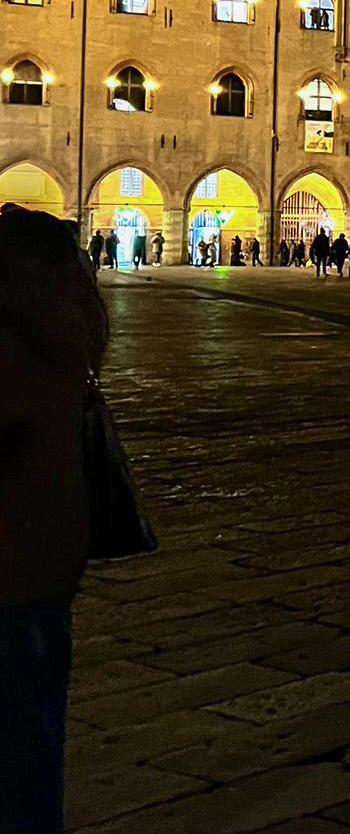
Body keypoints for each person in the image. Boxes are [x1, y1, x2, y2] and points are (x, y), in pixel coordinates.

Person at [0, 205, 105, 834]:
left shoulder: (12, 358)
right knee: (33, 749)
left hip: (9, 575)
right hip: (48, 575)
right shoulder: (72, 340)